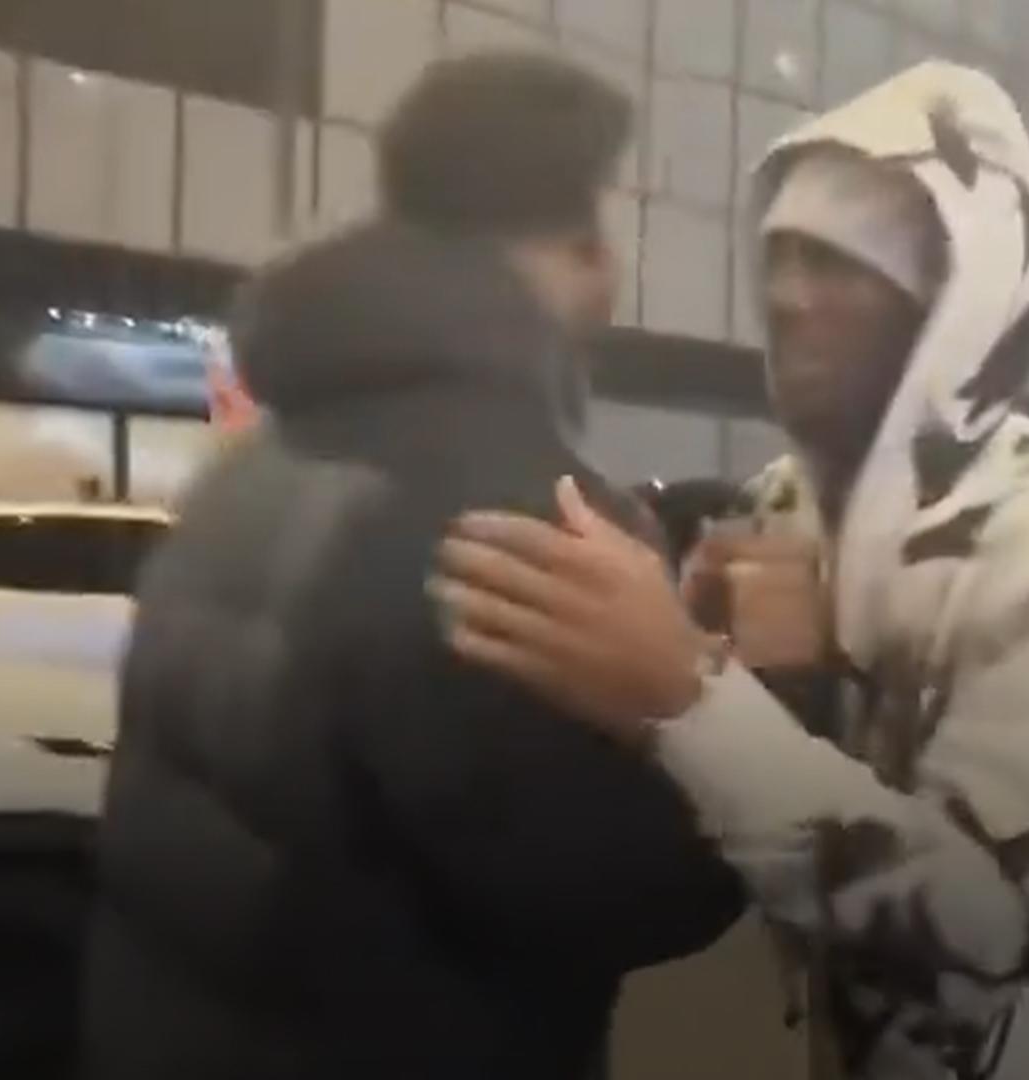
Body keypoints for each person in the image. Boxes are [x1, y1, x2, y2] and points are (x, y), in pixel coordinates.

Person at [432, 62, 1029, 1080]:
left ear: (950, 300)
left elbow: (989, 941)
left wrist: (690, 698)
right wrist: (691, 661)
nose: (786, 295)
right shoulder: (781, 506)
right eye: (778, 253)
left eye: (838, 262)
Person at [83, 54, 742, 1080]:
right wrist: (740, 695)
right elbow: (623, 889)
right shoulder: (512, 508)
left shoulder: (252, 468)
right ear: (574, 240)